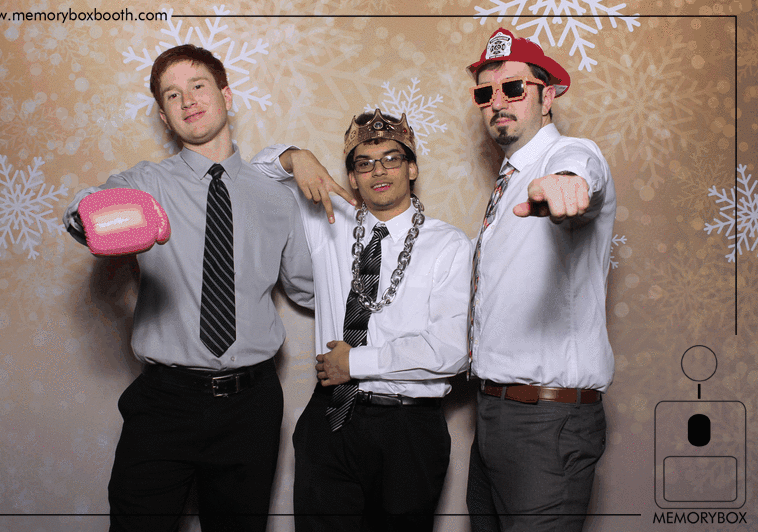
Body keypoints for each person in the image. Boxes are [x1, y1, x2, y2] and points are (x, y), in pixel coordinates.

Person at [62, 44, 317, 532]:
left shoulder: (276, 198)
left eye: (198, 86)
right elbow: (90, 209)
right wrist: (90, 216)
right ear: (164, 115)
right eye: (172, 95)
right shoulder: (145, 185)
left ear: (225, 94)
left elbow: (308, 287)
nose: (188, 100)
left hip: (252, 405)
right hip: (165, 403)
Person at [252, 110, 473, 531]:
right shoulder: (327, 222)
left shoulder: (448, 245)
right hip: (331, 417)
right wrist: (296, 157)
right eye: (365, 163)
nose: (379, 171)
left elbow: (452, 349)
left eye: (391, 159)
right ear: (352, 178)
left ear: (412, 168)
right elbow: (254, 177)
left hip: (408, 428)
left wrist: (354, 363)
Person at [463, 28, 616, 532]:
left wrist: (569, 183)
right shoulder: (509, 182)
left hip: (546, 423)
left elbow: (582, 167)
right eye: (485, 93)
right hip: (494, 415)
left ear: (547, 97)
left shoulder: (565, 155)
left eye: (513, 88)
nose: (497, 102)